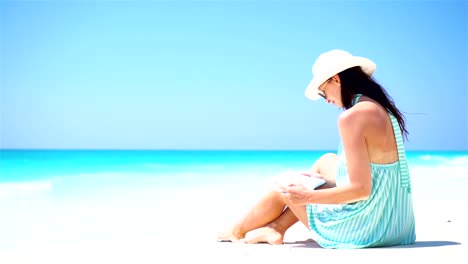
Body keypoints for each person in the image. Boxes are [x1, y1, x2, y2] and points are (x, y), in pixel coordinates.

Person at [216, 49, 416, 249]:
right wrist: (317, 184)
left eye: (323, 91)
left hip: (367, 230)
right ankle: (276, 227)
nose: (326, 99)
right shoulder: (383, 110)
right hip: (398, 225)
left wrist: (307, 196)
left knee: (284, 186)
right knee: (325, 162)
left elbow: (361, 190)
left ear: (336, 80)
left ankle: (237, 231)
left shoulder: (352, 117)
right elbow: (378, 175)